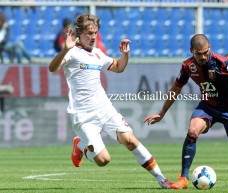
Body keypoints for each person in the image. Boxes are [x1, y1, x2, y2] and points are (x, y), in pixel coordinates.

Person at [48, 13, 174, 189]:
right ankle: (81, 145)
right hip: (83, 115)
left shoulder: (98, 54)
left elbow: (119, 67)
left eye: (95, 33)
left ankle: (161, 178)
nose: (93, 37)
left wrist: (125, 55)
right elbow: (52, 68)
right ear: (79, 34)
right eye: (89, 33)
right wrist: (65, 49)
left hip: (104, 108)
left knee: (129, 140)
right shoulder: (72, 53)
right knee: (103, 160)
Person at [144, 34, 228, 189]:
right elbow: (176, 88)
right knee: (192, 129)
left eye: (205, 52)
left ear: (209, 48)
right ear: (191, 51)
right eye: (198, 53)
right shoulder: (188, 66)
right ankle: (183, 178)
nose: (202, 57)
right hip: (207, 105)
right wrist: (162, 113)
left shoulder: (223, 63)